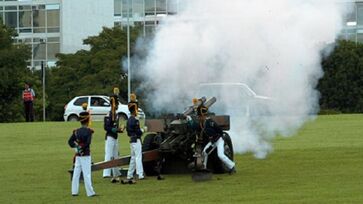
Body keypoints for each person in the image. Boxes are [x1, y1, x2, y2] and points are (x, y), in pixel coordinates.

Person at [196, 103, 236, 174]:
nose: (199, 118)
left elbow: (220, 130)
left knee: (220, 155)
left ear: (203, 116)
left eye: (200, 116)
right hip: (212, 141)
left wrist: (218, 138)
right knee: (205, 152)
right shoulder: (202, 123)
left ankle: (232, 167)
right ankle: (204, 168)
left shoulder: (210, 122)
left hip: (219, 140)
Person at [68, 110, 96, 197]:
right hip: (86, 154)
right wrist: (82, 148)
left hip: (78, 155)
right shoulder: (89, 131)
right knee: (87, 174)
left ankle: (74, 191)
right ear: (87, 121)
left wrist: (77, 147)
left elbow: (70, 142)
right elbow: (88, 143)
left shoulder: (76, 131)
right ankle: (90, 192)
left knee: (76, 173)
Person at [122, 94, 144, 184]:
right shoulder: (135, 120)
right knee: (138, 157)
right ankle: (140, 174)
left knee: (133, 158)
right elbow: (138, 132)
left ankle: (130, 174)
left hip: (131, 140)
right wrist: (143, 130)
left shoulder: (129, 120)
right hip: (136, 139)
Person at [103, 110, 124, 182]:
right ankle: (106, 173)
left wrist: (119, 130)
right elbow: (106, 127)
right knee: (108, 155)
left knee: (116, 155)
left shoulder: (117, 114)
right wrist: (113, 129)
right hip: (109, 136)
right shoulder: (108, 114)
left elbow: (116, 126)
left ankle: (116, 172)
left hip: (115, 136)